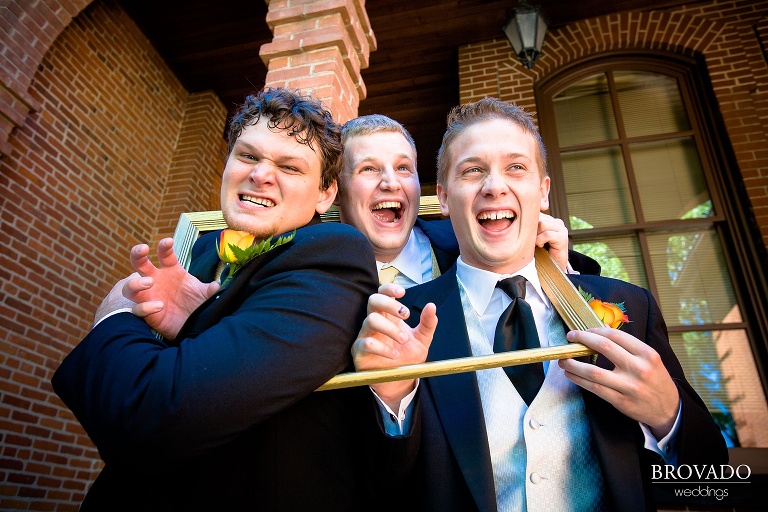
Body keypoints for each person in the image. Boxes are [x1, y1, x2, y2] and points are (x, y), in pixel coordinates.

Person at [352, 98, 728, 512]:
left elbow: (711, 486)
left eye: (516, 167)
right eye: (473, 170)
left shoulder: (631, 308)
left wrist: (668, 415)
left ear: (543, 190)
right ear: (443, 198)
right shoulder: (399, 322)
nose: (494, 186)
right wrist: (393, 401)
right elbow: (376, 493)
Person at [52, 88, 398, 511]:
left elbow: (150, 417)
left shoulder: (333, 255)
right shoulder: (200, 254)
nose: (261, 174)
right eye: (248, 156)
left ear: (325, 193)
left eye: (289, 166)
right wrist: (193, 322)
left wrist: (115, 317)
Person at [335, 114, 601, 289]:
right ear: (334, 191)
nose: (391, 183)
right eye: (368, 169)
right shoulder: (317, 269)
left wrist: (552, 271)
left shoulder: (474, 238)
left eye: (403, 168)